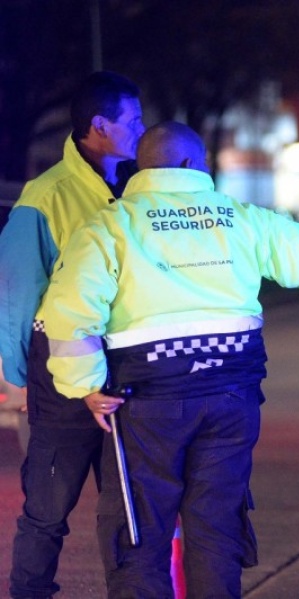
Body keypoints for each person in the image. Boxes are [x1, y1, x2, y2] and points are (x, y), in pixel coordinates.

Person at [40, 121, 299, 597]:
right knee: (217, 527)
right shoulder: (239, 218)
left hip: (147, 404)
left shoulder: (109, 227)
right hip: (231, 398)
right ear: (189, 164)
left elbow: (68, 313)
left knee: (139, 533)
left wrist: (86, 385)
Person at [0, 71, 145, 599]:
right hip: (61, 377)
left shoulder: (134, 188)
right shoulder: (46, 196)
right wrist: (18, 376)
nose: (142, 128)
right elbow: (16, 293)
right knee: (47, 511)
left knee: (128, 509)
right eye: (133, 119)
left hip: (127, 372)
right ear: (99, 126)